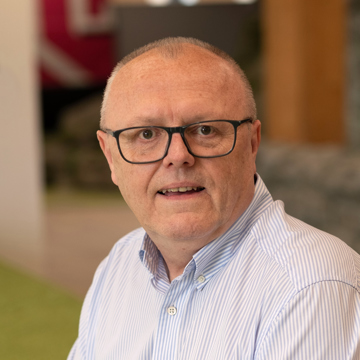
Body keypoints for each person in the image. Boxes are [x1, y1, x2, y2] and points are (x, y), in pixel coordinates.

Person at [68, 37, 360, 359]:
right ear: (110, 157)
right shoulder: (118, 265)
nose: (177, 156)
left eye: (205, 130)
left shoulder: (311, 286)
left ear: (252, 144)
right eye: (146, 134)